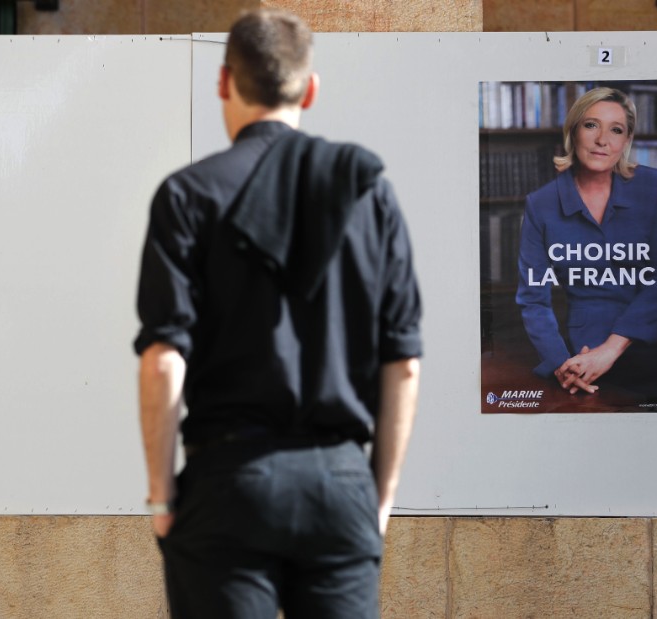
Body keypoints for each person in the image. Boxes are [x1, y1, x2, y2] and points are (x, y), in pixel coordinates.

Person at [134, 9, 422, 618]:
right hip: (341, 482)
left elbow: (163, 362)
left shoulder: (186, 196)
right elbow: (404, 364)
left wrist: (162, 497)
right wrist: (378, 498)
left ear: (222, 82)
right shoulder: (369, 193)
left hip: (229, 482)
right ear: (309, 89)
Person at [517, 86, 657, 407]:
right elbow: (533, 299)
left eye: (616, 130)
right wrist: (562, 365)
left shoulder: (655, 185)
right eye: (591, 125)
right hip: (592, 341)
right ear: (573, 131)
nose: (603, 140)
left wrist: (610, 350)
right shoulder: (540, 205)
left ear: (626, 141)